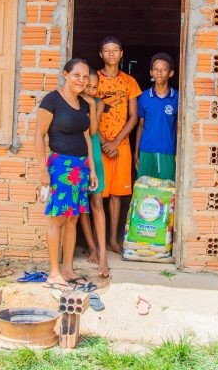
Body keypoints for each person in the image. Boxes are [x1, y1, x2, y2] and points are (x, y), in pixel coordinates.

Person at [34, 58, 98, 288]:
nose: (81, 80)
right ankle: (53, 273)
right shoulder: (52, 100)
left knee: (73, 219)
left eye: (85, 76)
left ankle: (68, 270)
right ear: (65, 74)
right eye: (76, 75)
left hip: (80, 168)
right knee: (58, 219)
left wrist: (92, 169)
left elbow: (87, 137)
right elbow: (39, 136)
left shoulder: (82, 104)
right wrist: (43, 171)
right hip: (60, 168)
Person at [96, 36, 141, 253]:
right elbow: (87, 112)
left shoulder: (129, 82)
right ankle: (96, 243)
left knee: (116, 195)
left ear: (121, 53)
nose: (111, 54)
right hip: (98, 144)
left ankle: (112, 240)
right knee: (97, 193)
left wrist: (115, 142)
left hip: (121, 146)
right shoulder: (93, 79)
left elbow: (133, 117)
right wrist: (104, 142)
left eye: (115, 50)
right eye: (107, 50)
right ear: (101, 54)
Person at [77, 71, 110, 278]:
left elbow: (93, 131)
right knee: (81, 205)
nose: (91, 90)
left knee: (96, 201)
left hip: (94, 151)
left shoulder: (96, 103)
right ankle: (92, 246)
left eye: (95, 87)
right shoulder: (70, 101)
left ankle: (103, 252)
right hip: (76, 152)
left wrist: (90, 104)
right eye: (88, 86)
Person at [135, 53, 179, 181]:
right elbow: (141, 125)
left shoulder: (177, 97)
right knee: (145, 190)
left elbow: (178, 127)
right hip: (146, 150)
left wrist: (178, 152)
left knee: (168, 191)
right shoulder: (143, 97)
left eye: (163, 69)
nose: (159, 73)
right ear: (151, 72)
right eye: (155, 69)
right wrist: (136, 152)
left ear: (171, 73)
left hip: (168, 151)